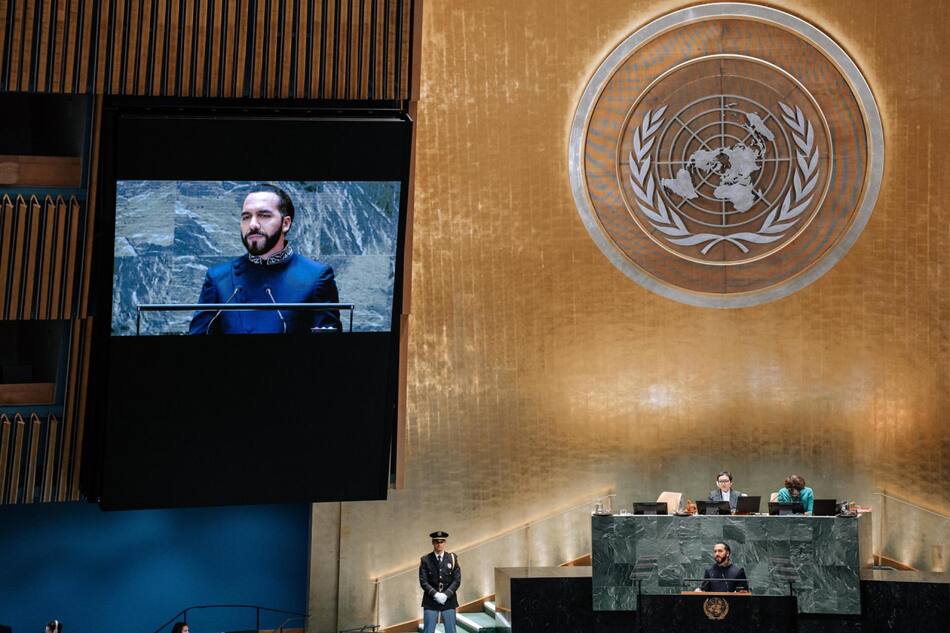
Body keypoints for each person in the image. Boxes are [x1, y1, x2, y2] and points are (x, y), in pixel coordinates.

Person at [188, 183, 341, 334]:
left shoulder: (316, 277)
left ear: (286, 224)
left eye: (264, 215)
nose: (253, 224)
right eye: (246, 217)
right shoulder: (218, 278)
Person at [419, 530, 461, 633]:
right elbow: (423, 581)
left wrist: (446, 595)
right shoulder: (426, 559)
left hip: (449, 600)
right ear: (432, 543)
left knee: (451, 630)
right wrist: (435, 594)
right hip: (430, 600)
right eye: (436, 542)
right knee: (428, 630)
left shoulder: (452, 558)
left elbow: (457, 579)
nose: (439, 544)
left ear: (445, 543)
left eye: (441, 542)